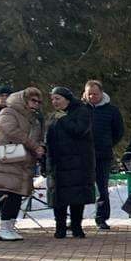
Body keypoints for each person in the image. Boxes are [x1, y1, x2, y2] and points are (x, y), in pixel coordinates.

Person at [0, 89, 45, 242]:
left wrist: (40, 147)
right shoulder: (9, 112)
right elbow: (9, 130)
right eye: (33, 100)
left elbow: (37, 138)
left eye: (38, 102)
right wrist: (34, 146)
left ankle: (7, 227)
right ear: (24, 100)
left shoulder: (34, 119)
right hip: (5, 159)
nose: (36, 104)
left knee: (14, 195)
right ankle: (5, 228)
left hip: (21, 162)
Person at [45, 86, 96, 239]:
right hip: (58, 162)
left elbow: (79, 130)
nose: (54, 102)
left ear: (67, 99)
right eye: (53, 99)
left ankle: (76, 226)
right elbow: (49, 139)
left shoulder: (81, 111)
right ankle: (59, 227)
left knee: (77, 196)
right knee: (58, 196)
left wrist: (64, 118)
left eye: (57, 99)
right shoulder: (54, 116)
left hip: (78, 162)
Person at [83, 80, 124, 230]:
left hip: (103, 154)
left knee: (102, 187)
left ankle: (101, 217)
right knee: (79, 187)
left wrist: (107, 143)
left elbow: (119, 131)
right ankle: (75, 218)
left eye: (95, 94)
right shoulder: (80, 109)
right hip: (82, 154)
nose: (92, 96)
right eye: (89, 94)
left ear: (102, 93)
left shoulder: (112, 110)